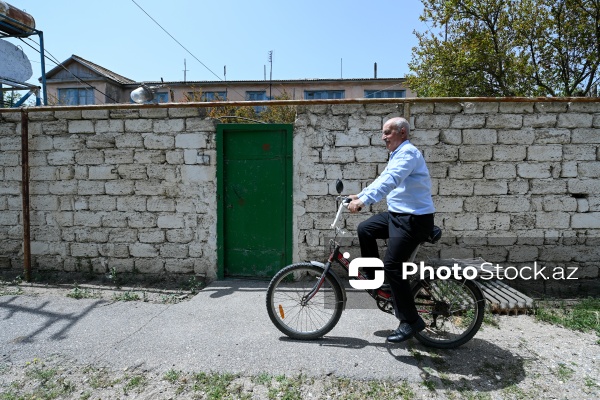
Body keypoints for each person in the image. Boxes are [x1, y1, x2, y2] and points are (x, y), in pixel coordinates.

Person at [347, 117, 435, 343]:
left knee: (394, 266)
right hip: (400, 215)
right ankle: (375, 278)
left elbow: (392, 180)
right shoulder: (398, 154)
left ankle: (411, 321)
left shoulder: (408, 154)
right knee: (365, 228)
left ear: (402, 133)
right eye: (383, 133)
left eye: (387, 132)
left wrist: (364, 201)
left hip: (413, 219)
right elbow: (383, 178)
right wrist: (361, 194)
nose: (383, 137)